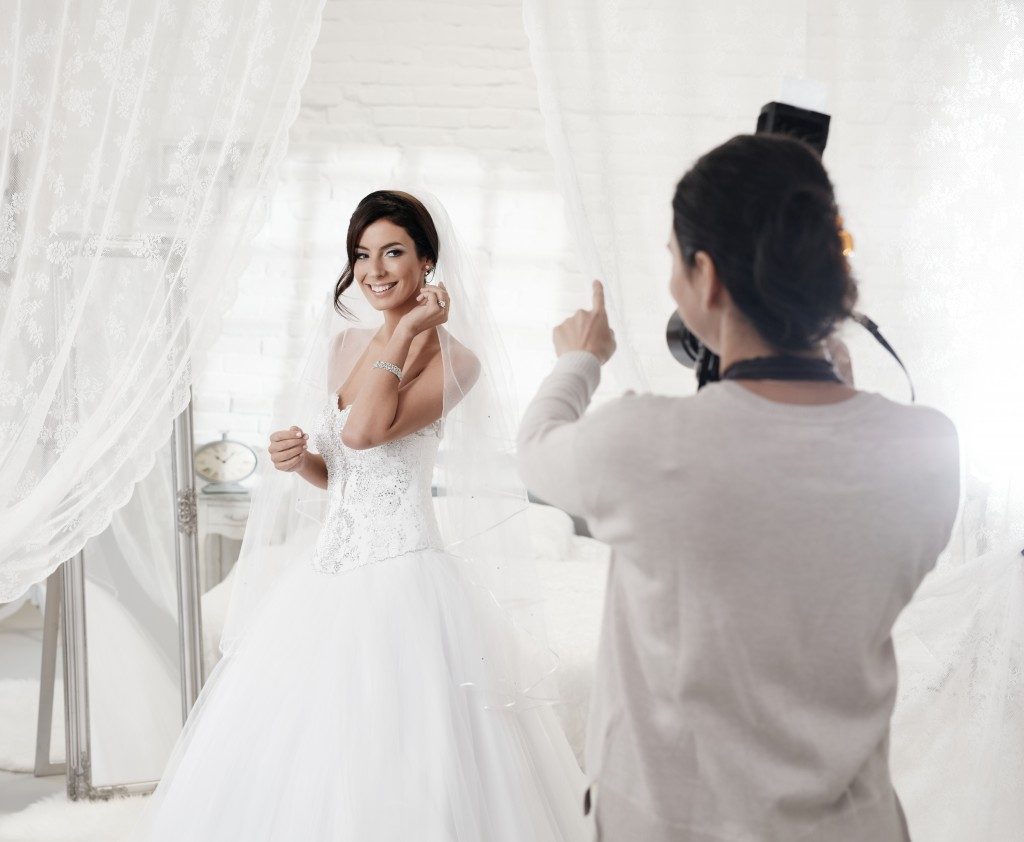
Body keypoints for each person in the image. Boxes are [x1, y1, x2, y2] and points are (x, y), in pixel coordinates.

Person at [517, 134, 961, 841]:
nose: (670, 279)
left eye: (672, 259)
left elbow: (535, 448)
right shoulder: (930, 449)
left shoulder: (643, 444)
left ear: (708, 276)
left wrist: (578, 361)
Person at [131, 191, 588, 841]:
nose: (373, 270)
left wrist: (404, 333)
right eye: (361, 255)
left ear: (427, 262)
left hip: (405, 573)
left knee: (407, 747)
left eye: (393, 252)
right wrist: (299, 463)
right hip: (327, 574)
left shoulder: (458, 360)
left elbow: (368, 431)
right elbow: (343, 471)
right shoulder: (341, 344)